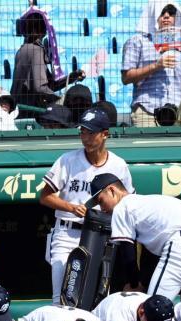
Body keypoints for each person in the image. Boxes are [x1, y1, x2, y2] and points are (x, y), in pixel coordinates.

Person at [39, 108, 134, 304]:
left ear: (105, 134)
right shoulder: (68, 160)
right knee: (62, 298)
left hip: (102, 236)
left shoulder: (118, 165)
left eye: (91, 132)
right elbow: (45, 197)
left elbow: (128, 202)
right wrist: (70, 207)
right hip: (67, 233)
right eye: (83, 131)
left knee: (98, 297)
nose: (85, 137)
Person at [91, 174, 181, 301]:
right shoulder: (149, 201)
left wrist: (133, 284)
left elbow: (127, 252)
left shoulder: (122, 207)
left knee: (154, 309)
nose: (101, 208)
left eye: (100, 201)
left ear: (112, 190)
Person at [121, 1, 181, 127]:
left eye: (171, 12)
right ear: (152, 14)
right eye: (162, 12)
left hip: (177, 112)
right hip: (147, 112)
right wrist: (156, 66)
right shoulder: (137, 42)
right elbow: (126, 77)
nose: (166, 16)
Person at [11, 8, 86, 116]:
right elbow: (40, 88)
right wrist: (61, 100)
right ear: (44, 31)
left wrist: (71, 77)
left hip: (20, 109)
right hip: (32, 112)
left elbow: (48, 85)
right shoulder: (36, 51)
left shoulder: (22, 50)